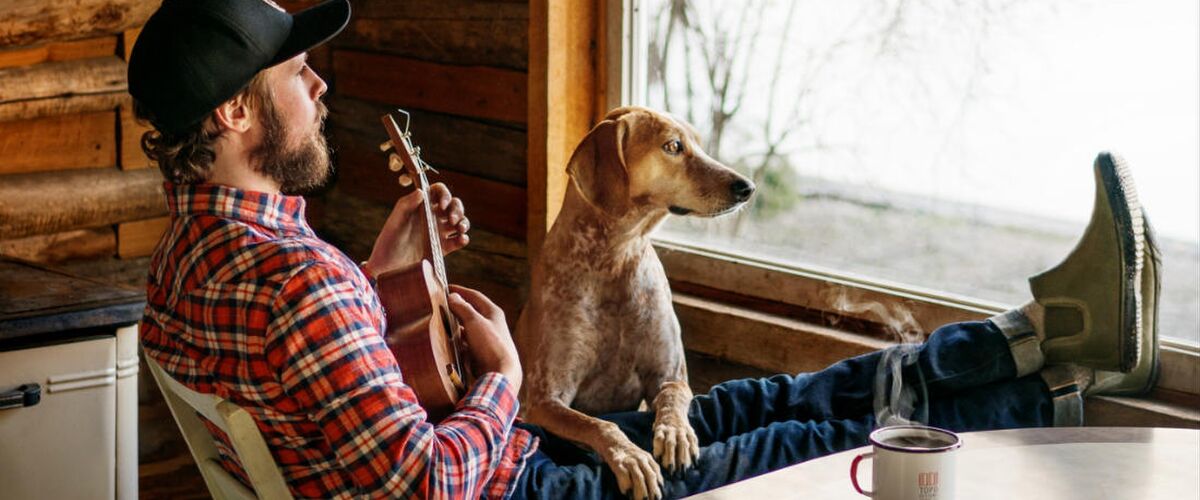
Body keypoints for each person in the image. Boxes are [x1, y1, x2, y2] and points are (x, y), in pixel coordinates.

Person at [129, 1, 1161, 499]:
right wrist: (507, 378)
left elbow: (351, 401)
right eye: (297, 74)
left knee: (761, 399)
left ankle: (1032, 344)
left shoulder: (184, 267)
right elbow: (422, 486)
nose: (320, 87)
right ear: (232, 111)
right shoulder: (297, 283)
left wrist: (395, 264)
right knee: (787, 442)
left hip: (526, 457)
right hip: (528, 486)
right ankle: (1046, 373)